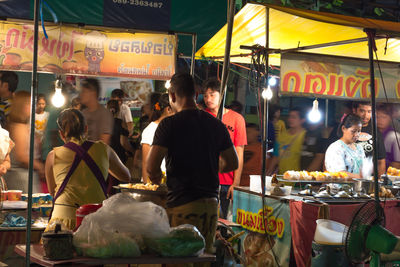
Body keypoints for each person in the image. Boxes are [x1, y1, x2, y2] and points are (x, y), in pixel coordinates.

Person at [146, 73, 238, 255]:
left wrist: (157, 180)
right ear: (196, 95)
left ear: (172, 96)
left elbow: (151, 167)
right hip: (211, 207)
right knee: (203, 257)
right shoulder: (216, 125)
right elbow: (232, 162)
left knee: (181, 260)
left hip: (183, 206)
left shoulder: (168, 125)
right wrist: (208, 165)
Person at [45, 108, 130, 231]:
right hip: (96, 220)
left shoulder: (53, 156)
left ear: (61, 134)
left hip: (62, 222)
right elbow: (126, 176)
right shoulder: (104, 150)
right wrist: (103, 166)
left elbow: (53, 192)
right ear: (85, 129)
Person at [203, 78, 247, 219]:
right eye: (205, 95)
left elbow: (239, 151)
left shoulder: (237, 119)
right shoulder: (201, 117)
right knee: (207, 220)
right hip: (206, 179)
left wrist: (236, 183)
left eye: (212, 94)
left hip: (228, 182)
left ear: (222, 94)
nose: (208, 99)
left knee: (223, 222)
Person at [4, 91, 45, 193]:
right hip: (21, 179)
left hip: (26, 177)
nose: (33, 107)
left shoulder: (21, 126)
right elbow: (22, 156)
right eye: (30, 104)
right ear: (23, 106)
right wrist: (40, 167)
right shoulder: (18, 128)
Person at [267, 107, 324, 174]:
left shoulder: (306, 136)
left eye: (294, 117)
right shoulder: (281, 136)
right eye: (289, 116)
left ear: (302, 120)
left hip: (297, 179)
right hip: (282, 178)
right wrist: (269, 172)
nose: (290, 119)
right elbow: (276, 156)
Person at [141, 93, 173, 183]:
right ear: (168, 110)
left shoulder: (173, 128)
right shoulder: (150, 130)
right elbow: (145, 162)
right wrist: (146, 185)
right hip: (155, 182)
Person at [325, 114, 365, 178]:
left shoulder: (359, 148)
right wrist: (362, 178)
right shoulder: (335, 148)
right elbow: (340, 174)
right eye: (353, 131)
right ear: (343, 128)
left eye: (359, 131)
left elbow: (364, 171)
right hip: (339, 188)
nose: (356, 135)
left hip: (358, 187)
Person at [352, 101, 386, 176]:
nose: (365, 115)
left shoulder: (375, 132)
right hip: (347, 178)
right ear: (354, 110)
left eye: (369, 112)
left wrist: (380, 182)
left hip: (369, 180)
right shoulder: (347, 129)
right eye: (362, 111)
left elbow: (381, 161)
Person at [80, 78, 113, 144]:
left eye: (84, 91)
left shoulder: (104, 114)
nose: (81, 95)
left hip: (97, 153)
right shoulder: (83, 113)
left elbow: (103, 143)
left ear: (93, 93)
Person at [377, 104, 400, 169]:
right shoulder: (372, 134)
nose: (380, 120)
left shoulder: (394, 137)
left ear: (390, 118)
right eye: (377, 117)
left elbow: (397, 163)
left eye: (384, 117)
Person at [34, 94, 49, 160]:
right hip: (34, 142)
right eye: (39, 104)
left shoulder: (47, 115)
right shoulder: (32, 115)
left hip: (45, 142)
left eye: (43, 104)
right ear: (36, 104)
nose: (41, 106)